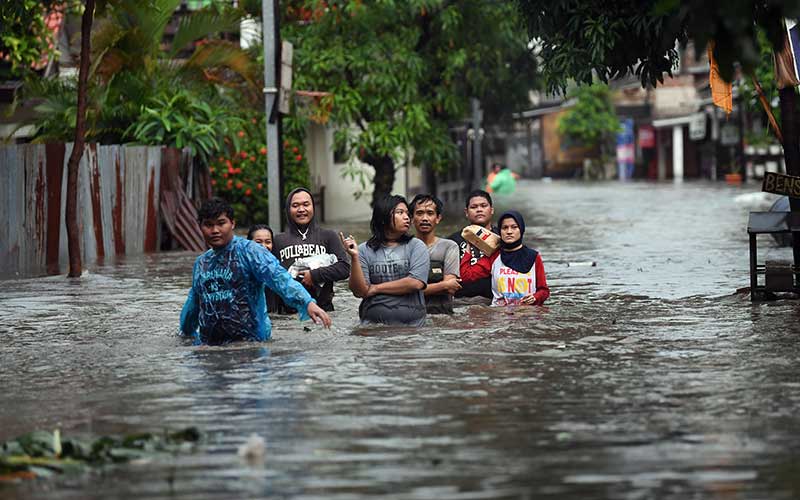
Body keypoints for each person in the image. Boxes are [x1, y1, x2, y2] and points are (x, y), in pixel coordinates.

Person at [179, 198, 331, 345]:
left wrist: (307, 302)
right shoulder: (201, 263)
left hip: (251, 344)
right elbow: (194, 303)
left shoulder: (251, 252)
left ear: (232, 223)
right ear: (200, 226)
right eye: (208, 225)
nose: (215, 230)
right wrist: (185, 333)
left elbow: (279, 278)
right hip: (210, 347)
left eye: (221, 223)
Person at [340, 194, 429, 326]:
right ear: (384, 217)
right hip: (373, 326)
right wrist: (354, 257)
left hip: (412, 327)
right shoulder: (364, 250)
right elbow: (359, 292)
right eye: (400, 212)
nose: (407, 217)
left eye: (407, 213)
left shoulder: (416, 246)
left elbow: (415, 283)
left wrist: (375, 288)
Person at [272, 188, 350, 314]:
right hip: (290, 314)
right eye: (295, 205)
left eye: (306, 204)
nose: (301, 209)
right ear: (287, 209)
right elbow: (271, 277)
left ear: (313, 207)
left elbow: (344, 268)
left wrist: (314, 275)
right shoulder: (278, 240)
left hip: (324, 311)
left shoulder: (328, 236)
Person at [410, 194, 461, 314]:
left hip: (442, 315)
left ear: (438, 218)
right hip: (411, 315)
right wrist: (442, 286)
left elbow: (450, 288)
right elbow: (446, 285)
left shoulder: (449, 246)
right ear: (412, 218)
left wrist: (410, 291)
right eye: (419, 213)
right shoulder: (405, 247)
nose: (424, 218)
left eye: (430, 213)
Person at [491, 210, 549, 307]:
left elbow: (544, 291)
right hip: (500, 315)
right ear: (500, 231)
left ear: (521, 229)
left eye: (514, 227)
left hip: (527, 314)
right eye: (505, 228)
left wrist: (535, 297)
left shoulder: (533, 257)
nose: (509, 232)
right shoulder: (494, 256)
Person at [449, 190, 498, 300]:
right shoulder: (453, 241)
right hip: (461, 301)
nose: (479, 209)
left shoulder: (503, 239)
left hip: (494, 301)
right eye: (474, 207)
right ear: (466, 212)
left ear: (492, 210)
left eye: (483, 206)